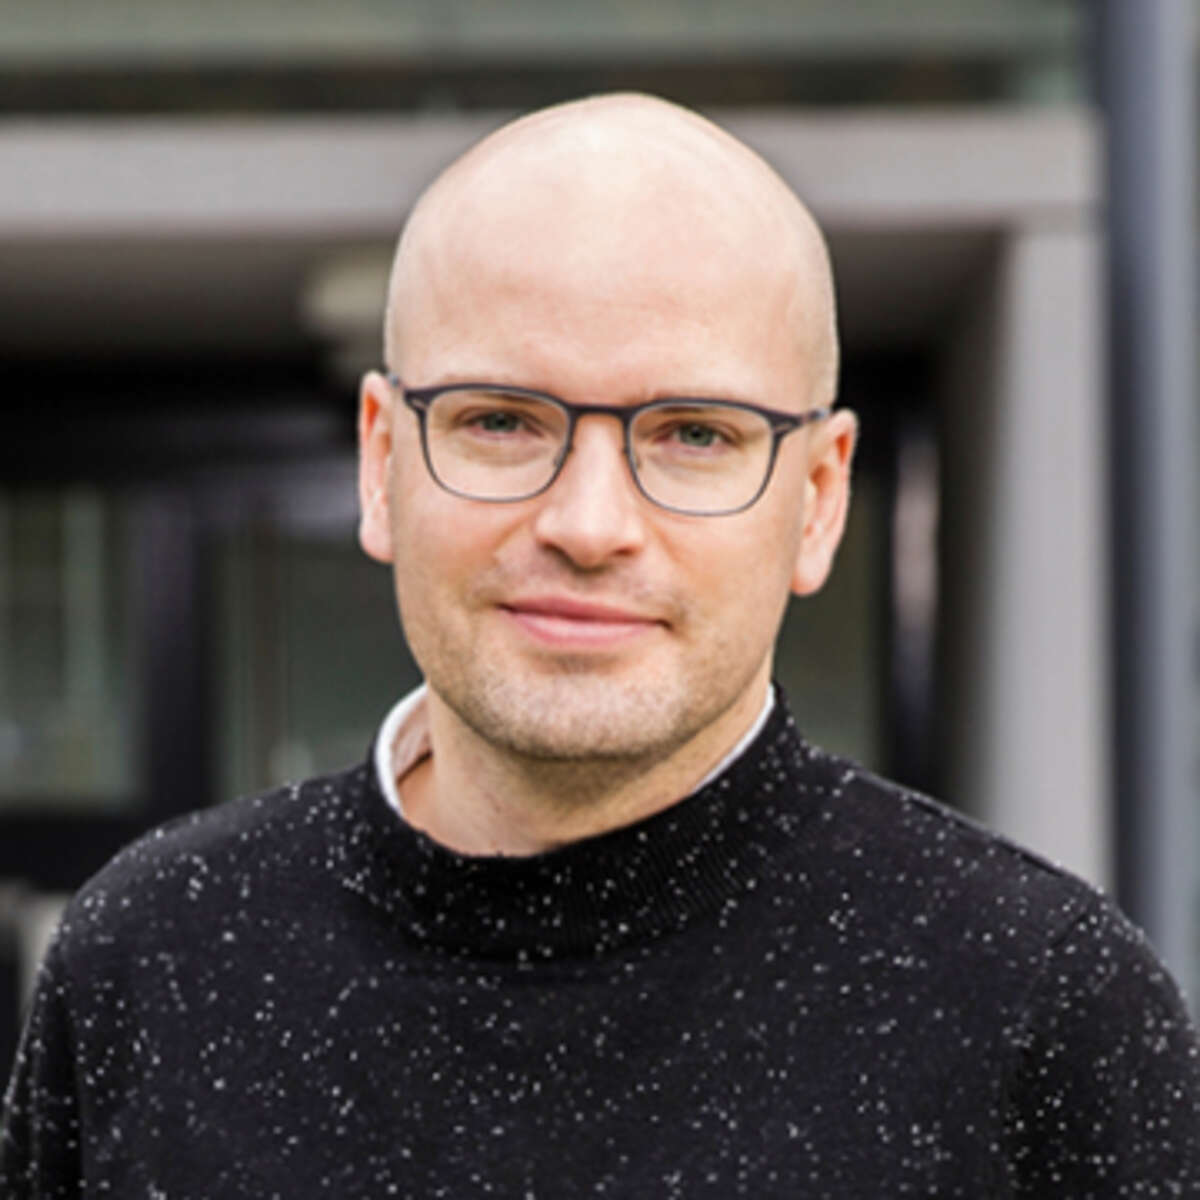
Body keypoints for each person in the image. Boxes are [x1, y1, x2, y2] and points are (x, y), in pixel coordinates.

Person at [3, 93, 1198, 1197]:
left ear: (820, 498)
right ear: (381, 462)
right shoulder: (151, 959)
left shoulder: (1044, 1009)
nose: (587, 525)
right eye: (501, 420)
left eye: (694, 434)